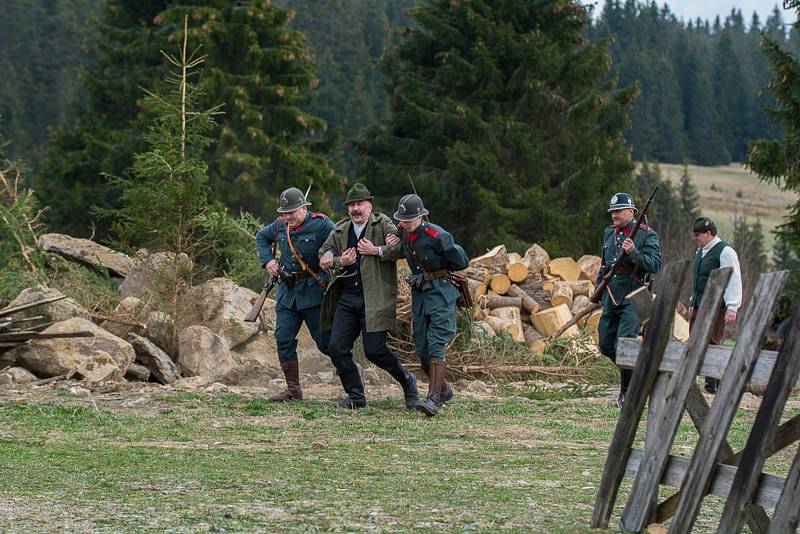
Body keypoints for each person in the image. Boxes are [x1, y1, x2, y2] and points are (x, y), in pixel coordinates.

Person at [318, 183, 418, 409]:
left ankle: (408, 382)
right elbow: (323, 253)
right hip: (348, 297)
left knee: (375, 351)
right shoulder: (341, 229)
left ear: (369, 206)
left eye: (360, 204)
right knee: (336, 348)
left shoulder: (383, 224)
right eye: (352, 205)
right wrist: (336, 261)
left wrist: (377, 250)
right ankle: (356, 397)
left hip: (375, 298)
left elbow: (401, 248)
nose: (355, 209)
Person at [390, 193, 469, 417]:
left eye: (410, 220)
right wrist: (394, 237)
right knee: (421, 348)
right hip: (420, 296)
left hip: (440, 293)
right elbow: (400, 239)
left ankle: (433, 399)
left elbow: (461, 261)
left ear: (422, 216)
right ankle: (443, 390)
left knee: (436, 345)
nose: (405, 224)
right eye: (403, 220)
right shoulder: (404, 232)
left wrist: (436, 273)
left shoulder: (437, 235)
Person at [255, 187, 334, 401]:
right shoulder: (281, 225)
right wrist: (268, 261)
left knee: (325, 342)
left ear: (304, 207)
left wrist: (329, 253)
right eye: (284, 212)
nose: (288, 217)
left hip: (313, 291)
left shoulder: (322, 224)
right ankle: (293, 390)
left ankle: (352, 373)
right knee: (283, 338)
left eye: (292, 212)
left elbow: (336, 242)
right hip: (288, 292)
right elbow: (261, 237)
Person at [597, 192, 662, 408]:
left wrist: (633, 252)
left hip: (634, 295)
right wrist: (599, 290)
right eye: (612, 211)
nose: (614, 215)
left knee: (625, 344)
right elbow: (604, 265)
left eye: (618, 211)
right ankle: (637, 372)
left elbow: (654, 265)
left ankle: (626, 393)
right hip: (611, 294)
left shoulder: (646, 235)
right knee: (606, 344)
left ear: (631, 212)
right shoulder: (609, 233)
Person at [689, 216, 742, 394]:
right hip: (699, 305)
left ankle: (713, 384)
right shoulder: (700, 250)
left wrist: (733, 306)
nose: (696, 238)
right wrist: (692, 301)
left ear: (709, 233)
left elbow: (733, 279)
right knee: (695, 340)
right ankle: (691, 378)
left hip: (716, 307)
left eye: (698, 234)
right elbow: (697, 279)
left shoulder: (725, 251)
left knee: (713, 342)